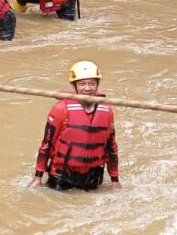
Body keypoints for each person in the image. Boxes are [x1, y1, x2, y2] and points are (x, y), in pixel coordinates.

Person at [30, 61, 121, 191]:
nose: (88, 88)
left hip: (92, 175)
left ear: (97, 85)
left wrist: (115, 180)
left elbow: (111, 147)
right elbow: (46, 144)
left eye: (92, 84)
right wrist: (38, 177)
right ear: (74, 86)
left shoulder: (107, 111)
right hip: (61, 174)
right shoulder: (60, 109)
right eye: (82, 84)